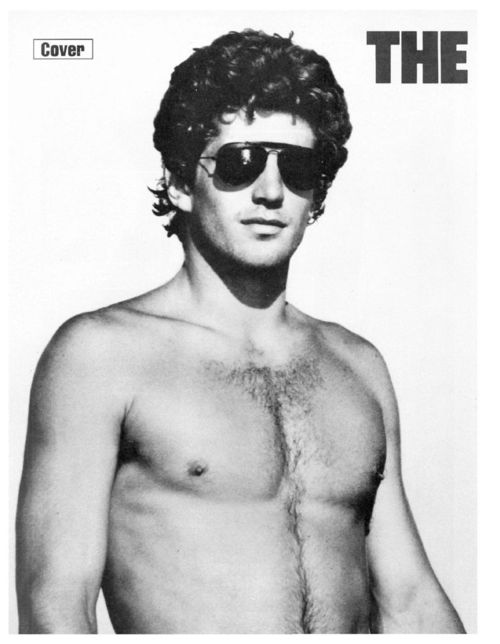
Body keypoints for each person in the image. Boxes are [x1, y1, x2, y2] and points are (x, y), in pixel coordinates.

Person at [16, 29, 465, 634]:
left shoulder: (358, 365)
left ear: (317, 194)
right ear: (181, 182)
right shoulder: (101, 355)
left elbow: (409, 599)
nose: (271, 191)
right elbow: (55, 604)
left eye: (297, 167)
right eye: (240, 163)